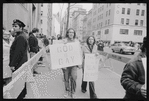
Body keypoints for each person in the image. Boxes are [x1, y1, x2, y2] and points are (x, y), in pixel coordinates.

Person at [9, 19, 28, 99]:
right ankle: (22, 95)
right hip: (21, 62)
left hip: (19, 63)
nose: (14, 28)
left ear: (21, 28)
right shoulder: (20, 35)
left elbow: (18, 53)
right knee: (21, 81)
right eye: (13, 26)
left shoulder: (20, 37)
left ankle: (20, 96)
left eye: (16, 26)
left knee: (18, 82)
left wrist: (13, 64)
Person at [63, 28, 81, 98]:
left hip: (74, 64)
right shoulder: (64, 41)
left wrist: (79, 63)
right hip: (66, 64)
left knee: (74, 78)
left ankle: (73, 92)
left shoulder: (77, 42)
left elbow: (79, 52)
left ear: (74, 34)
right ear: (67, 33)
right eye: (70, 32)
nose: (71, 34)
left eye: (72, 32)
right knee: (66, 78)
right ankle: (67, 92)